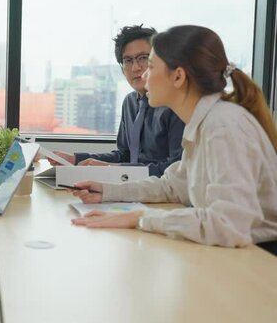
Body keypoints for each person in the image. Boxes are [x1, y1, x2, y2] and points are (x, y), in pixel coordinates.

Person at [71, 25, 277, 249]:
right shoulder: (204, 122)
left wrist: (141, 218)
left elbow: (227, 224)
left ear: (178, 76)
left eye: (149, 65)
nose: (142, 74)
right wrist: (109, 191)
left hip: (262, 257)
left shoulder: (223, 126)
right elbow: (171, 186)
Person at [51, 25, 184, 177]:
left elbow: (176, 169)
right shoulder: (130, 103)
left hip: (163, 193)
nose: (135, 68)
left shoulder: (175, 105)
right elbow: (125, 155)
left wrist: (113, 168)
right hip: (130, 188)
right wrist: (75, 159)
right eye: (128, 60)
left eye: (143, 58)